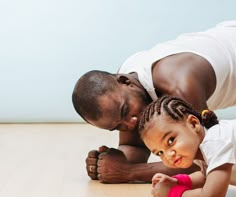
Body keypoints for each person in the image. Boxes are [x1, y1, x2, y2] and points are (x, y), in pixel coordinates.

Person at [72, 21, 236, 183]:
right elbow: (135, 148)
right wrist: (107, 163)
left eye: (125, 111)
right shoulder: (125, 91)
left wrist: (128, 171)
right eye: (118, 126)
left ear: (125, 81)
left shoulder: (177, 84)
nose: (131, 124)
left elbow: (208, 157)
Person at [138, 95, 236, 197]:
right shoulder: (199, 147)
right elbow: (208, 178)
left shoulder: (215, 141)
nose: (168, 155)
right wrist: (177, 182)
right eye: (160, 153)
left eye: (170, 140)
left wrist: (170, 193)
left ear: (193, 124)